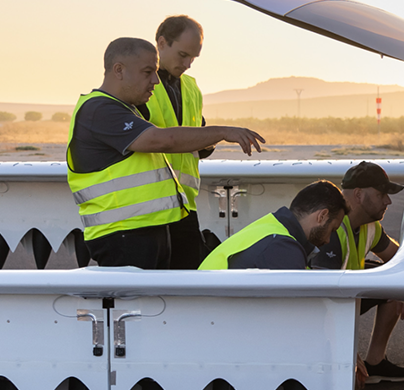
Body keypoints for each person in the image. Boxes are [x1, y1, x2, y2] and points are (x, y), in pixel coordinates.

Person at [188, 180, 349, 390]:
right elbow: (292, 324)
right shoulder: (282, 248)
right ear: (322, 216)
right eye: (333, 228)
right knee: (324, 374)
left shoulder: (273, 228)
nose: (328, 239)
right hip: (217, 342)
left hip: (206, 330)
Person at [66, 37, 264, 272]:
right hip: (123, 235)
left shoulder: (128, 110)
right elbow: (163, 140)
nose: (156, 81)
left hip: (148, 229)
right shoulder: (99, 109)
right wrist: (223, 132)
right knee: (141, 308)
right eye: (148, 72)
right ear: (118, 70)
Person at [333, 162, 404, 383]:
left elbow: (400, 262)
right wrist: (350, 357)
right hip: (310, 308)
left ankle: (375, 363)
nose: (388, 201)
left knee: (391, 280)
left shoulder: (370, 224)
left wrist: (403, 288)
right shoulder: (330, 229)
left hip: (345, 294)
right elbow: (320, 306)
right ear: (359, 195)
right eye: (381, 194)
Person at [146, 15, 215, 270]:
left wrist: (207, 142)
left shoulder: (191, 87)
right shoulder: (137, 86)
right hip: (148, 210)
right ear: (161, 43)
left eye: (193, 58)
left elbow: (199, 135)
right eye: (183, 55)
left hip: (185, 206)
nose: (188, 64)